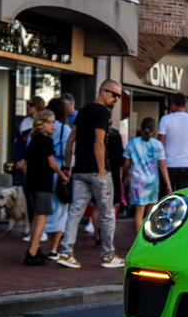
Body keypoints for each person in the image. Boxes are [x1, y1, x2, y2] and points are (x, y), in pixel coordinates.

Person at [58, 79, 125, 269]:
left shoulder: (83, 111)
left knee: (75, 212)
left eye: (119, 96)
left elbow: (71, 141)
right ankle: (108, 255)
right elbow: (98, 142)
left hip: (80, 170)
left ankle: (66, 252)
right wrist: (102, 170)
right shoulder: (103, 112)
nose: (116, 99)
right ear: (103, 91)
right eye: (114, 94)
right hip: (97, 171)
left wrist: (67, 167)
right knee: (107, 213)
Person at [22, 110, 69, 266]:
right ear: (40, 125)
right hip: (43, 184)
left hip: (31, 184)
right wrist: (62, 175)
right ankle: (32, 253)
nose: (53, 125)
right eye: (49, 122)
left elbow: (24, 164)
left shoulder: (33, 140)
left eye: (54, 122)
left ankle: (33, 247)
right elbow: (52, 163)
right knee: (42, 217)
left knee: (36, 216)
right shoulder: (47, 141)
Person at [123, 117, 171, 234]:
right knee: (150, 211)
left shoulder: (132, 142)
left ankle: (138, 241)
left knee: (138, 211)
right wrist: (168, 184)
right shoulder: (158, 144)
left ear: (140, 128)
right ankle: (148, 235)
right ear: (154, 130)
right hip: (153, 181)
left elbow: (126, 164)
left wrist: (126, 176)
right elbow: (162, 165)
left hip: (138, 181)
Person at [42, 99, 72, 260]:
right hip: (60, 165)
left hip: (43, 167)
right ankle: (54, 249)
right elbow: (69, 149)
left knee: (42, 208)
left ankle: (37, 242)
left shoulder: (42, 128)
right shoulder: (65, 129)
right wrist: (68, 170)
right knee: (61, 208)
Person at [157, 92, 188, 192]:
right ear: (186, 105)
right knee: (184, 198)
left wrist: (160, 163)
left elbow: (160, 145)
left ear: (173, 104)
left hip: (168, 165)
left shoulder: (165, 120)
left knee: (166, 198)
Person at [15, 96, 46, 241]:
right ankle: (31, 229)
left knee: (39, 197)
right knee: (29, 197)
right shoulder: (25, 122)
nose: (28, 107)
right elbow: (18, 144)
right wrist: (18, 161)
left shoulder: (43, 123)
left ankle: (42, 230)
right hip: (24, 164)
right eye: (28, 104)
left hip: (38, 165)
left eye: (31, 105)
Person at [91, 116, 125, 246]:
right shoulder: (115, 134)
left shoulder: (93, 134)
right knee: (111, 205)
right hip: (113, 172)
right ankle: (107, 237)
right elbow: (119, 156)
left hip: (97, 170)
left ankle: (97, 235)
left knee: (96, 206)